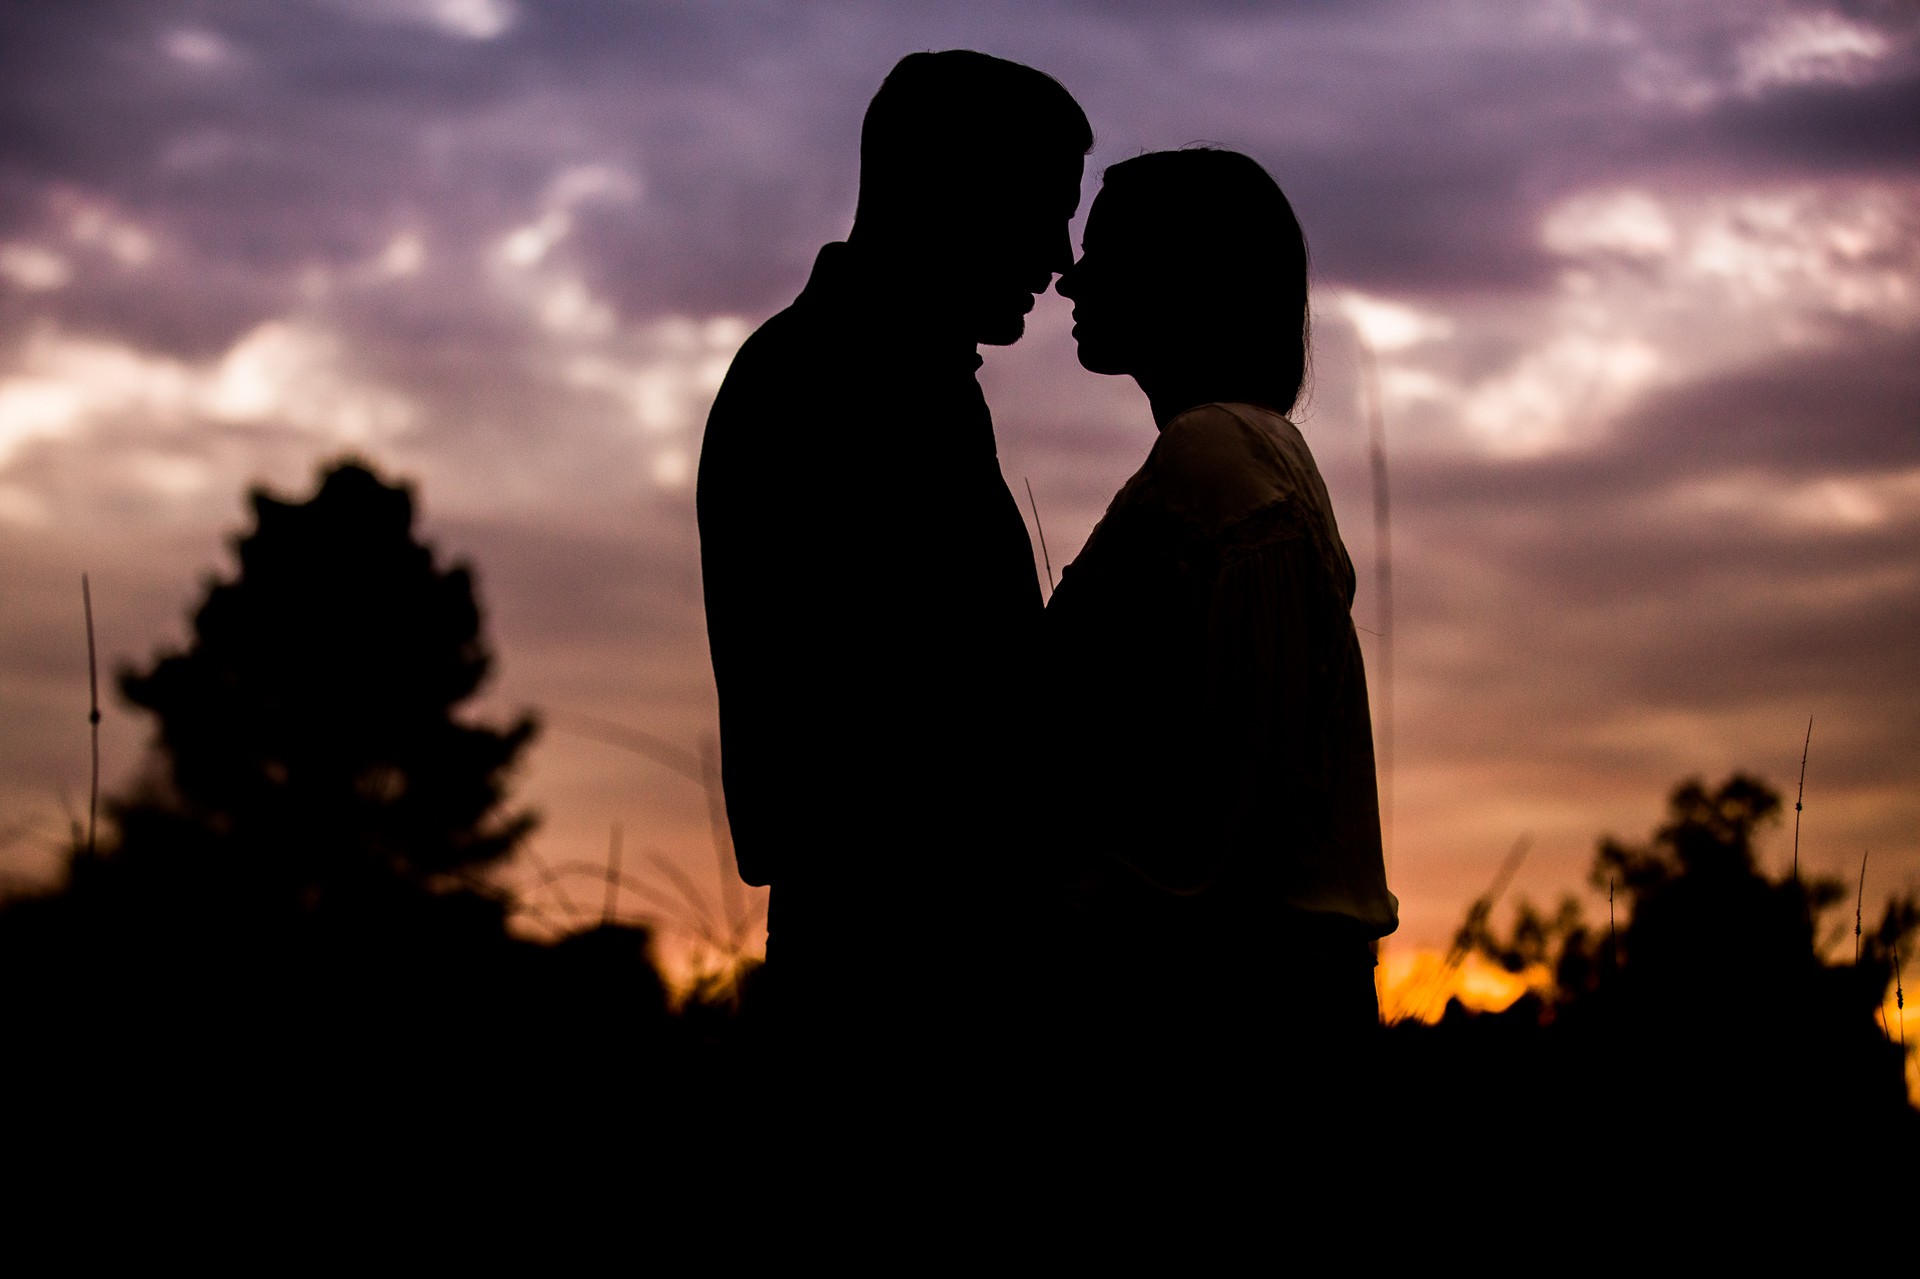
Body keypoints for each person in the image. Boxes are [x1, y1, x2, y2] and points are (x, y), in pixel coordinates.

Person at [697, 52, 1090, 1069]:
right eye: (1043, 210)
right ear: (953, 191)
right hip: (897, 978)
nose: (1061, 257)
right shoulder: (836, 384)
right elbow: (918, 722)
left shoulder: (889, 374)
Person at [1046, 149, 1398, 1109]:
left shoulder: (1216, 460)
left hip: (1221, 1030)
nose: (1071, 274)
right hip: (1271, 1009)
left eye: (1107, 251)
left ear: (1183, 274)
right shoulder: (1255, 452)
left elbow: (1232, 822)